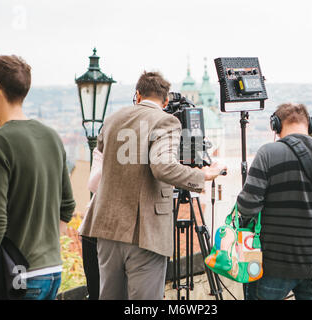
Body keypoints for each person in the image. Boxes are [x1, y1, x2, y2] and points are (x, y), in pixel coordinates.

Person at [78, 71, 226, 300]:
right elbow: (163, 167)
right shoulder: (166, 120)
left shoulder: (113, 119)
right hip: (144, 232)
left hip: (107, 228)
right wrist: (203, 175)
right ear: (165, 101)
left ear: (137, 95)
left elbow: (104, 157)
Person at [0, 55, 76, 300]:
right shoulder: (51, 136)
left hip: (19, 276)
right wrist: (43, 244)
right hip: (52, 271)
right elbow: (68, 205)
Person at [237, 102, 312, 300]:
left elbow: (247, 206)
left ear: (276, 125)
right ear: (310, 125)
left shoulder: (267, 154)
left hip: (273, 263)